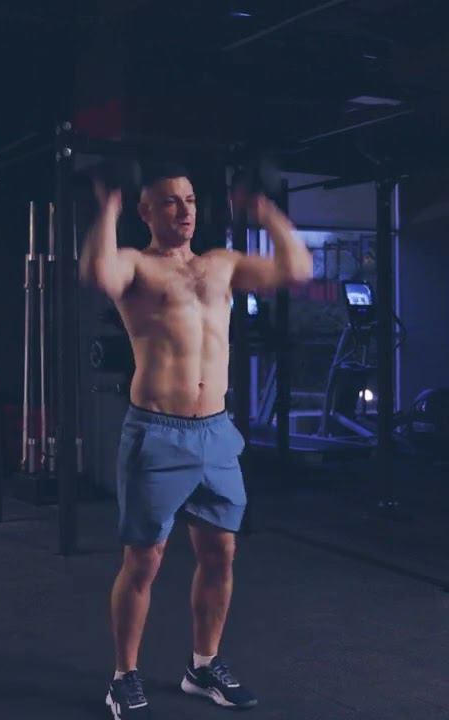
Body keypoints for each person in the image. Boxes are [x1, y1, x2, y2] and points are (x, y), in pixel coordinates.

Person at [80, 163, 313, 717]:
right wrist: (107, 208)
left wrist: (263, 211)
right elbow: (99, 274)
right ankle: (124, 677)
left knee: (220, 554)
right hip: (157, 433)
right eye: (170, 202)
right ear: (146, 212)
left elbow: (296, 267)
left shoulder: (220, 264)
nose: (185, 210)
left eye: (189, 200)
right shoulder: (137, 265)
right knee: (144, 560)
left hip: (216, 433)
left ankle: (203, 666)